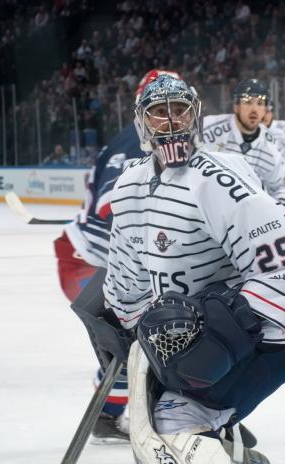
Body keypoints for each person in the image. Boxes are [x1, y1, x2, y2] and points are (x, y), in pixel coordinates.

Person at [103, 74, 285, 464]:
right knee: (169, 384)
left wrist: (223, 331)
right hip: (209, 319)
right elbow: (126, 279)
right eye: (158, 112)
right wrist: (132, 329)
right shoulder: (129, 187)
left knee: (172, 421)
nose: (170, 122)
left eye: (179, 110)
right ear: (141, 123)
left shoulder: (216, 179)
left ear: (196, 116)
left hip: (282, 329)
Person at [54, 69, 181, 443]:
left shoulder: (157, 141)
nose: (169, 114)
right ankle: (159, 416)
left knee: (143, 339)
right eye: (159, 105)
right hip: (89, 262)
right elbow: (113, 207)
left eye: (176, 105)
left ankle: (114, 413)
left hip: (99, 258)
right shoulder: (133, 144)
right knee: (141, 338)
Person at [202, 79, 285, 214]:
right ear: (236, 106)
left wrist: (283, 206)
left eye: (260, 103)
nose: (254, 109)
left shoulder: (271, 147)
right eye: (248, 102)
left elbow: (281, 186)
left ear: (265, 110)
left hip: (244, 216)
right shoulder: (208, 129)